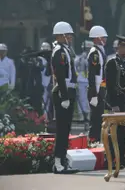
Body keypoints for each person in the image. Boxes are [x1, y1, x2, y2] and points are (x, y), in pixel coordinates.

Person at [51, 21, 78, 174]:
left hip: (68, 91)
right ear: (60, 36)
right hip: (63, 92)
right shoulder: (59, 51)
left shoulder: (66, 50)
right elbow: (60, 75)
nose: (70, 37)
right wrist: (65, 96)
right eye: (68, 35)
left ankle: (62, 160)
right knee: (61, 129)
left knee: (66, 128)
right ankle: (58, 163)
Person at [105, 35, 125, 168]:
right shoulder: (112, 62)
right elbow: (110, 85)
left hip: (123, 99)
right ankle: (111, 159)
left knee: (123, 130)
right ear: (121, 48)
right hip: (115, 100)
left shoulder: (124, 62)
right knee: (113, 131)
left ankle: (121, 157)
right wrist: (114, 104)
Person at [87, 26, 108, 142]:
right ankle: (93, 142)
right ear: (96, 38)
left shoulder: (100, 51)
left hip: (100, 88)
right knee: (95, 120)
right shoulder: (94, 53)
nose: (104, 39)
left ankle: (97, 141)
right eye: (102, 37)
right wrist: (94, 94)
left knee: (99, 119)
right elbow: (92, 75)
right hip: (96, 89)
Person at [75, 40, 92, 124]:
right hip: (81, 80)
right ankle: (81, 115)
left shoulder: (93, 57)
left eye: (89, 49)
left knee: (89, 98)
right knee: (81, 98)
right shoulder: (79, 58)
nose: (87, 50)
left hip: (90, 80)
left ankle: (88, 115)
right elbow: (76, 68)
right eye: (86, 49)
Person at [38, 42, 52, 121]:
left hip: (49, 82)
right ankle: (42, 117)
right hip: (41, 83)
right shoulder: (39, 59)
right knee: (42, 101)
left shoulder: (51, 59)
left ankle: (46, 117)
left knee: (48, 102)